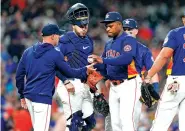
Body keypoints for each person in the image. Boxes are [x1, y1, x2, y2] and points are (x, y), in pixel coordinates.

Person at [15, 23, 94, 131]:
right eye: (58, 35)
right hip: (42, 98)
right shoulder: (55, 53)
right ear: (52, 36)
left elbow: (19, 75)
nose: (59, 37)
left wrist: (21, 95)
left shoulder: (28, 52)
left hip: (29, 97)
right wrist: (85, 70)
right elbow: (70, 72)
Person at [143, 8, 185, 131]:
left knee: (161, 122)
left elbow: (164, 56)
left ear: (184, 19)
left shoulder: (176, 33)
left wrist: (149, 75)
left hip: (178, 81)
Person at [89, 12, 142, 131]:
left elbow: (127, 58)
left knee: (127, 121)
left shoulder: (128, 40)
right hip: (113, 87)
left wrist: (102, 59)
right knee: (115, 123)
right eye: (106, 26)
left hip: (128, 84)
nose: (107, 28)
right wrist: (92, 68)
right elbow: (104, 65)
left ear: (119, 24)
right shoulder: (109, 44)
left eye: (110, 25)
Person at [56, 3, 97, 131]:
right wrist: (65, 81)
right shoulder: (64, 40)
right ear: (73, 25)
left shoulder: (89, 41)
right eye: (81, 26)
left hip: (83, 85)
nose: (84, 28)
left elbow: (89, 66)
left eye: (86, 25)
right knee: (75, 123)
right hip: (69, 84)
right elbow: (54, 64)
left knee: (90, 122)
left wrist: (93, 86)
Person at [123, 18, 160, 93]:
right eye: (124, 29)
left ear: (136, 31)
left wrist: (155, 89)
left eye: (129, 29)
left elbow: (152, 71)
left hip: (134, 85)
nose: (126, 32)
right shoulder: (114, 47)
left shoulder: (143, 50)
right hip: (116, 86)